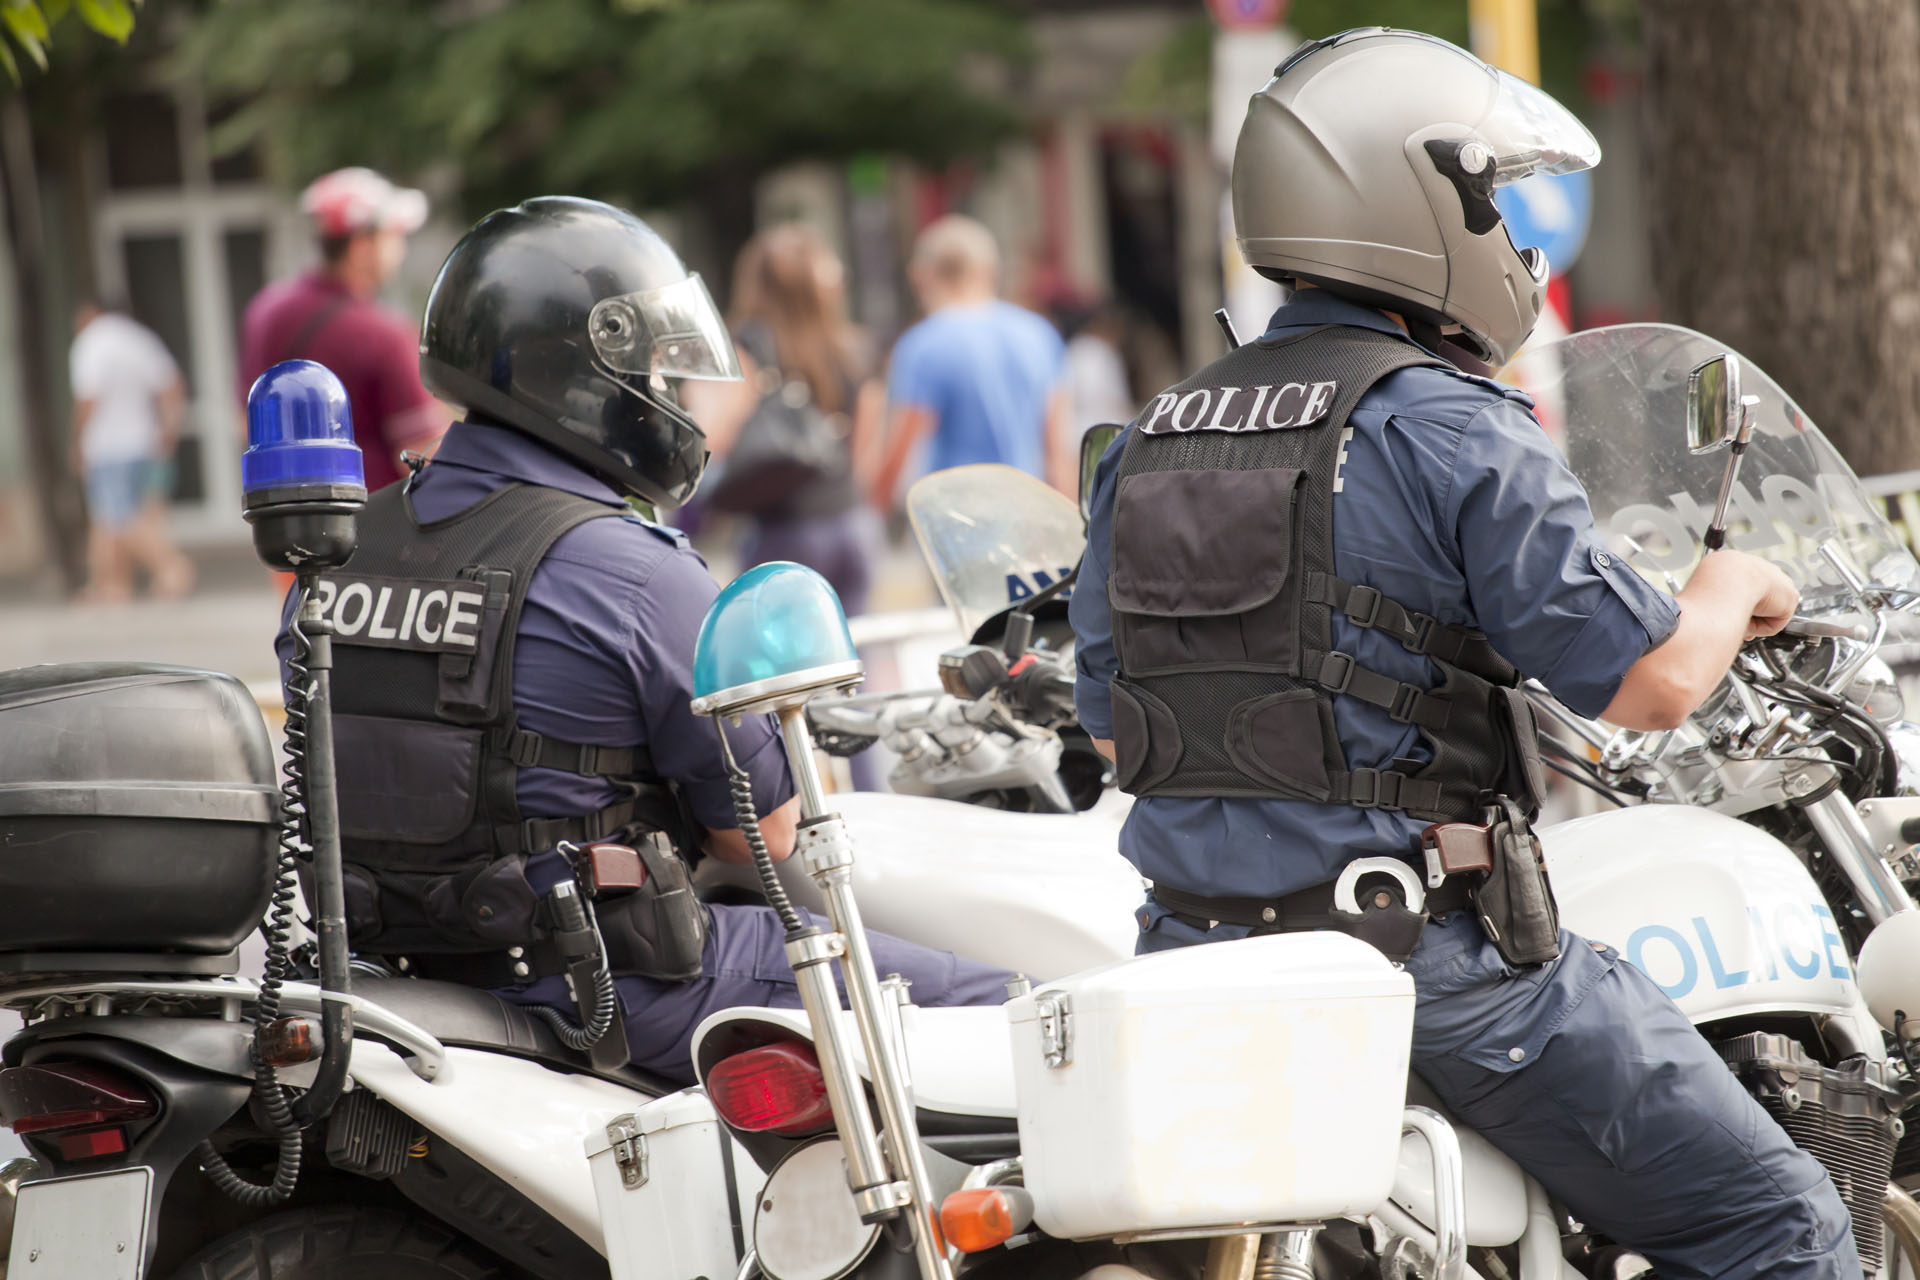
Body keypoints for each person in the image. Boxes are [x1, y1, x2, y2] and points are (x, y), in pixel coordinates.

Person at [1070, 29, 1856, 1280]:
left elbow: (1116, 727)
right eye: (1494, 196)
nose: (1513, 233)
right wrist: (1726, 584)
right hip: (1418, 969)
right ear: (1416, 201)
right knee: (1780, 1219)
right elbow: (1645, 678)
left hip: (1194, 961)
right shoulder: (1448, 423)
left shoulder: (1153, 437)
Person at [278, 197, 1010, 1082]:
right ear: (577, 373)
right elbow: (762, 836)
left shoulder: (344, 552)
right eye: (656, 373)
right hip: (600, 984)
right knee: (1000, 999)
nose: (667, 398)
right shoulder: (632, 570)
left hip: (389, 972)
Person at [681, 223, 883, 617]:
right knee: (856, 657)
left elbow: (713, 436)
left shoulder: (746, 345)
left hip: (782, 533)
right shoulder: (855, 349)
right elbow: (865, 452)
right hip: (853, 524)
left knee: (786, 667)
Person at [238, 167, 447, 493]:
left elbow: (244, 421)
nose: (400, 249)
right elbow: (424, 456)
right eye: (394, 236)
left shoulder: (265, 311)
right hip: (374, 524)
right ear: (362, 246)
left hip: (286, 516)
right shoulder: (383, 333)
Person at [871, 215, 1068, 507]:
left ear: (922, 275)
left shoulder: (923, 345)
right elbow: (1057, 450)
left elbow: (900, 451)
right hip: (1029, 516)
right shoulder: (1039, 333)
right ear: (989, 270)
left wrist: (872, 510)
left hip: (956, 525)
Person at [67, 299, 194, 601]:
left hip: (108, 445)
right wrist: (168, 427)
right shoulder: (139, 338)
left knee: (120, 516)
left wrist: (77, 440)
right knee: (107, 519)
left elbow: (88, 398)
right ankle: (111, 586)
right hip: (143, 440)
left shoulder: (92, 342)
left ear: (89, 314)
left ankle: (173, 567)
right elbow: (172, 384)